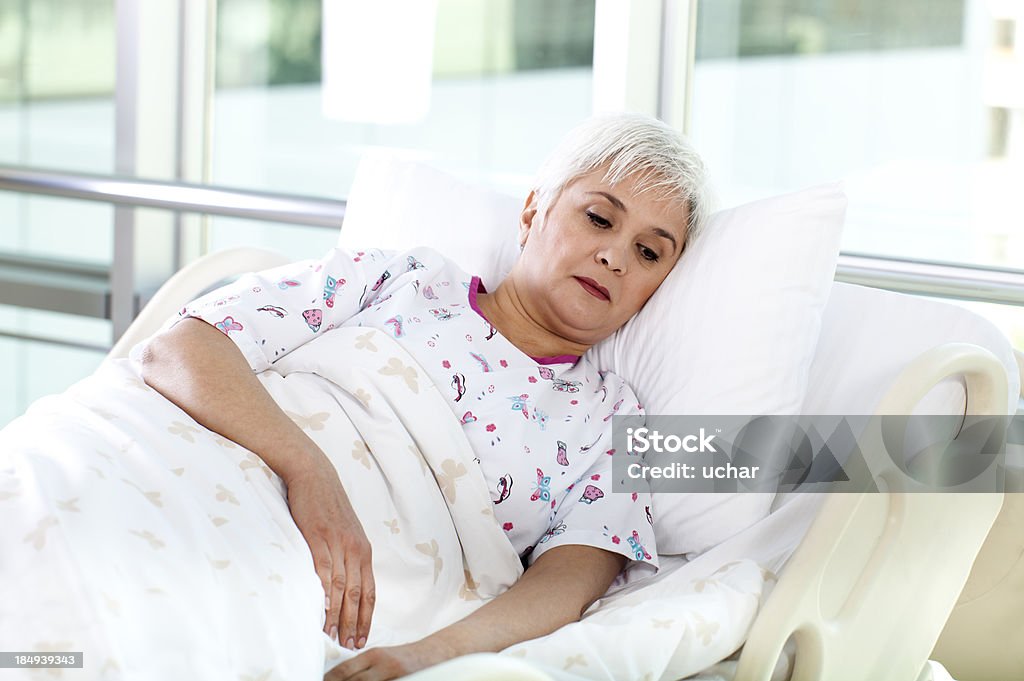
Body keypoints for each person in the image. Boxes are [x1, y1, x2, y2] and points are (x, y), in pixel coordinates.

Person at [139, 112, 710, 681]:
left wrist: (428, 656)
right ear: (533, 211)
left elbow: (565, 585)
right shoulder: (402, 280)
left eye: (649, 253)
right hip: (205, 476)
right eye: (598, 218)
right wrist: (308, 471)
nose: (615, 257)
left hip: (339, 594)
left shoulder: (610, 423)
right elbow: (182, 347)